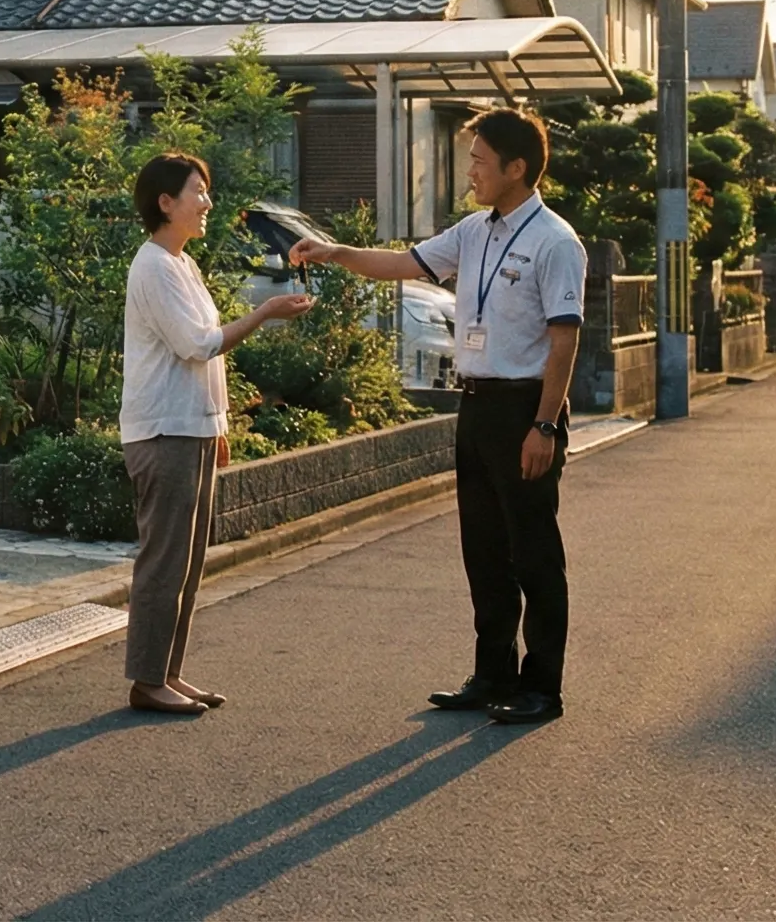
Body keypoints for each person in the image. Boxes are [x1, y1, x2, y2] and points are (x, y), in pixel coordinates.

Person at [290, 109, 586, 725]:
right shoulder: (475, 231)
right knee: (483, 549)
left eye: (480, 160)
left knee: (534, 553)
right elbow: (403, 264)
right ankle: (491, 672)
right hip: (475, 405)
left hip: (525, 408)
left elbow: (564, 342)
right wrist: (335, 251)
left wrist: (546, 425)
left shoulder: (555, 241)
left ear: (517, 168)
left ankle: (542, 687)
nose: (470, 170)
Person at [122, 151, 313, 715]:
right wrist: (266, 312)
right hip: (163, 431)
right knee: (165, 560)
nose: (207, 203)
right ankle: (147, 680)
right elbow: (198, 345)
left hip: (190, 428)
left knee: (188, 559)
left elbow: (206, 357)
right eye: (197, 192)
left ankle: (166, 674)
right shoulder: (154, 265)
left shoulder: (180, 263)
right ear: (165, 203)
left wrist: (217, 424)